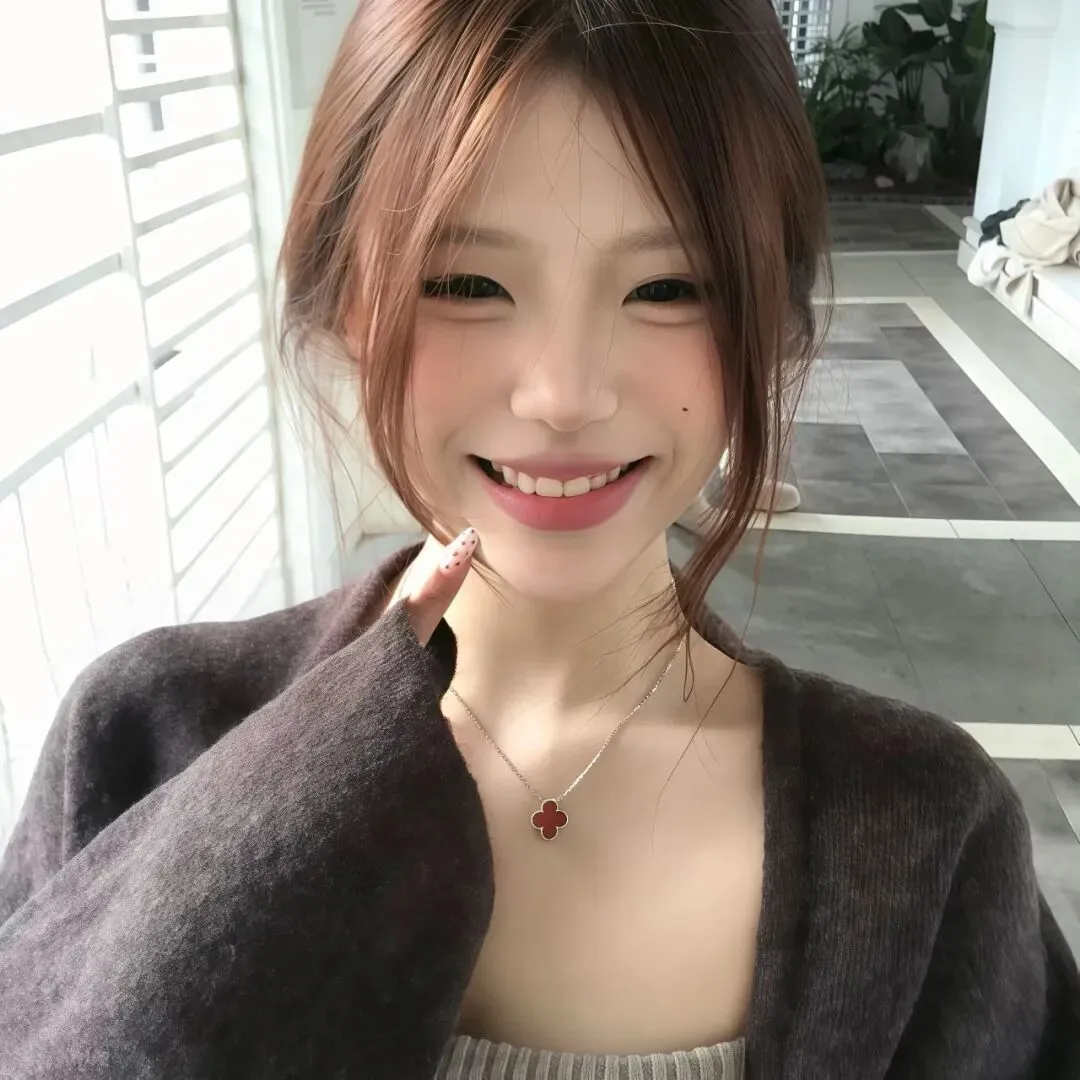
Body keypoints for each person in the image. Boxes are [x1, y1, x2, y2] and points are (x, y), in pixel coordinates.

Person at [1, 2, 1077, 1077]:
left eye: (670, 287)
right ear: (343, 309)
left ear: (773, 324)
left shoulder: (929, 842)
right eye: (467, 284)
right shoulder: (145, 741)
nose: (564, 394)